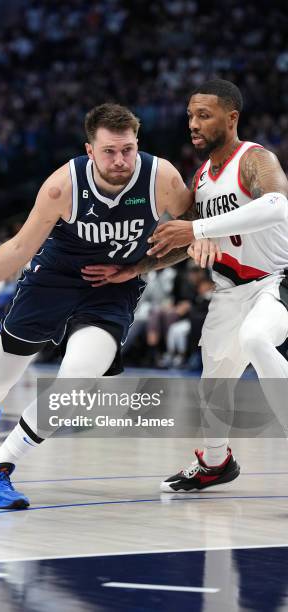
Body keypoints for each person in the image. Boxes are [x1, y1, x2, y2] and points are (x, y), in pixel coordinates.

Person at [0, 103, 213, 509]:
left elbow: (189, 232)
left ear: (137, 143)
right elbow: (20, 248)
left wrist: (140, 267)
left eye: (127, 149)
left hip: (113, 287)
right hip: (52, 280)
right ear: (89, 150)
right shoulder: (63, 185)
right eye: (109, 151)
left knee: (77, 380)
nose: (120, 160)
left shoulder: (161, 178)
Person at [88, 80, 288, 492]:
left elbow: (277, 205)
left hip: (276, 280)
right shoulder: (201, 178)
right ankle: (216, 463)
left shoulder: (254, 160)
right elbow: (182, 240)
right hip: (231, 290)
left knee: (256, 339)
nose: (193, 124)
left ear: (232, 118)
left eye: (204, 115)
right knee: (214, 379)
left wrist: (197, 226)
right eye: (190, 116)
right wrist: (137, 268)